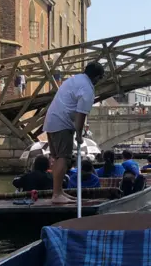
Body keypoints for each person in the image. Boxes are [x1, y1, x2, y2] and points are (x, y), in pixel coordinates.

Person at [43, 61, 105, 204]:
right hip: (62, 124)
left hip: (51, 120)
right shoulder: (88, 89)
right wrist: (79, 134)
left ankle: (58, 191)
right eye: (100, 78)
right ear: (96, 77)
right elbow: (81, 115)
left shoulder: (74, 79)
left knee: (57, 156)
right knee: (63, 158)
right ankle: (57, 194)